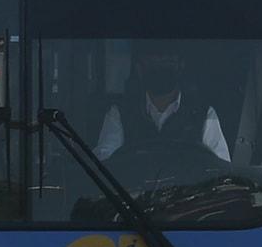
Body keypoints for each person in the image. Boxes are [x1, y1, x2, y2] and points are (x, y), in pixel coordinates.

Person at [94, 42, 230, 163]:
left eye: (167, 62)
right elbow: (104, 163)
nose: (160, 67)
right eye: (153, 63)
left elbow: (221, 168)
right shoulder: (120, 112)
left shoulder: (204, 113)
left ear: (180, 66)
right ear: (140, 68)